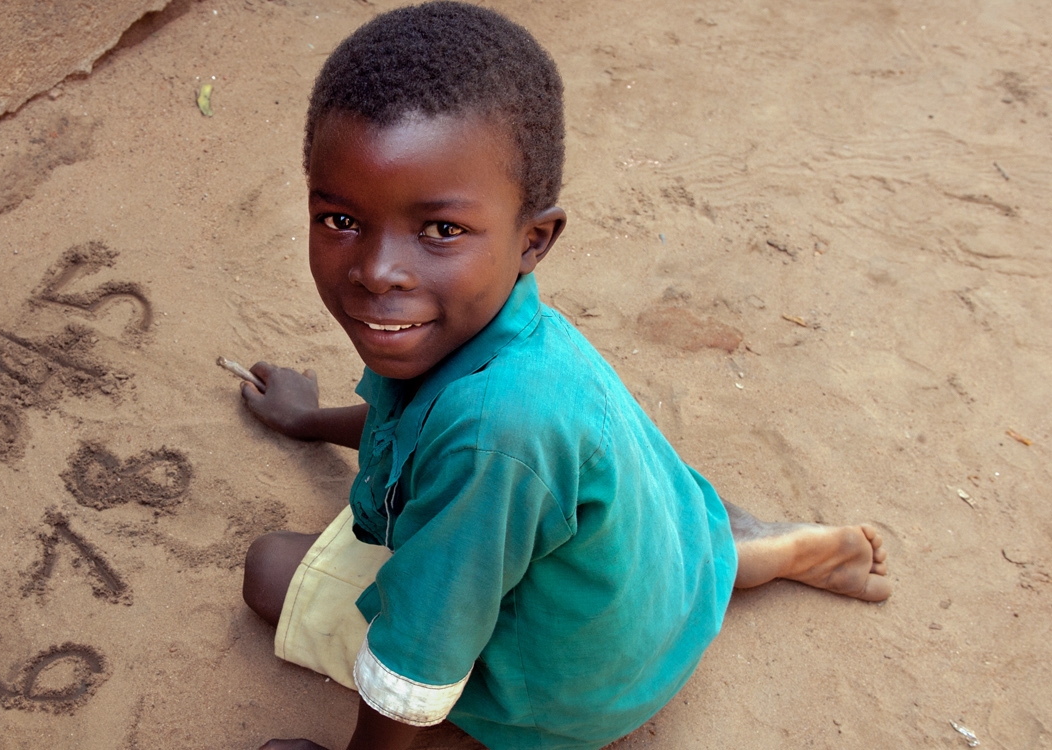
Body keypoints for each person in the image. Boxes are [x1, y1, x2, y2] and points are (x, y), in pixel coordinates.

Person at [233, 4, 891, 749]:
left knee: (269, 572)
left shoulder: (493, 434)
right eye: (341, 220)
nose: (378, 272)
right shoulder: (492, 329)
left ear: (533, 239)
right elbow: (411, 422)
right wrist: (310, 418)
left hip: (575, 695)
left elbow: (418, 658)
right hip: (654, 576)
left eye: (440, 230)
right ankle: (740, 553)